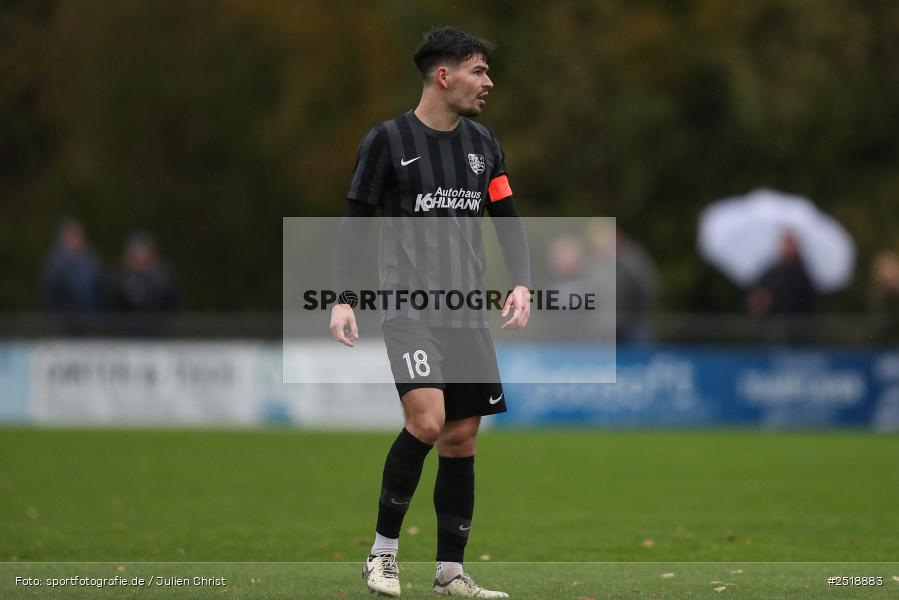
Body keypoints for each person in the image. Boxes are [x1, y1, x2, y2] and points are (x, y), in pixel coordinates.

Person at [329, 27, 531, 598]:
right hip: (410, 309)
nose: (488, 82)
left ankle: (450, 572)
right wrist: (342, 296)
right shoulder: (387, 140)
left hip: (467, 314)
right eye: (479, 71)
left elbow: (507, 218)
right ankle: (382, 555)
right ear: (445, 76)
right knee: (426, 421)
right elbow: (354, 224)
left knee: (461, 440)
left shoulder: (485, 145)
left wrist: (523, 283)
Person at [41, 219, 104, 334]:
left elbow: (101, 290)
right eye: (70, 237)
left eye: (76, 236)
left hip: (90, 322)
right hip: (64, 325)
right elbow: (50, 295)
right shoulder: (54, 265)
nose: (73, 241)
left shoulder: (92, 261)